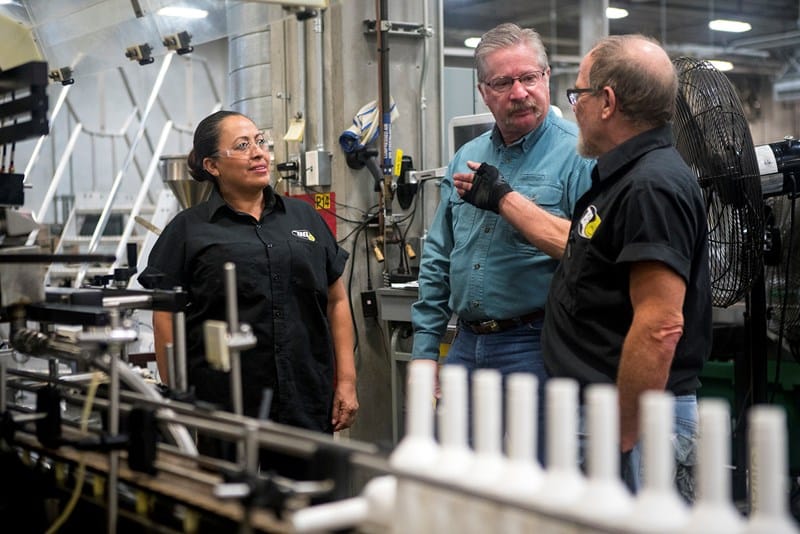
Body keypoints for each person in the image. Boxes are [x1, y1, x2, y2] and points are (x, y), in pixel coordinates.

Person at [455, 34, 711, 499]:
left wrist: (621, 437)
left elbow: (659, 326)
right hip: (600, 408)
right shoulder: (623, 178)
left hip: (630, 418)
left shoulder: (651, 187)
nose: (574, 108)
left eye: (579, 95)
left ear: (607, 102)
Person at [411, 23, 593, 463]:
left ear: (547, 77)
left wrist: (511, 204)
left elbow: (592, 253)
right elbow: (438, 253)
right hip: (465, 345)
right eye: (503, 82)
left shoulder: (580, 155)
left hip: (537, 345)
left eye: (529, 78)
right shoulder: (466, 156)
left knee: (544, 484)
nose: (519, 92)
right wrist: (424, 351)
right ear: (483, 92)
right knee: (459, 479)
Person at [138, 110, 359, 447]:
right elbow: (165, 317)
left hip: (304, 395)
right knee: (228, 496)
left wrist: (346, 380)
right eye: (242, 146)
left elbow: (337, 300)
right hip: (223, 404)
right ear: (212, 166)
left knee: (310, 498)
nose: (258, 152)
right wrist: (177, 393)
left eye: (260, 141)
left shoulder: (304, 217)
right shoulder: (188, 229)